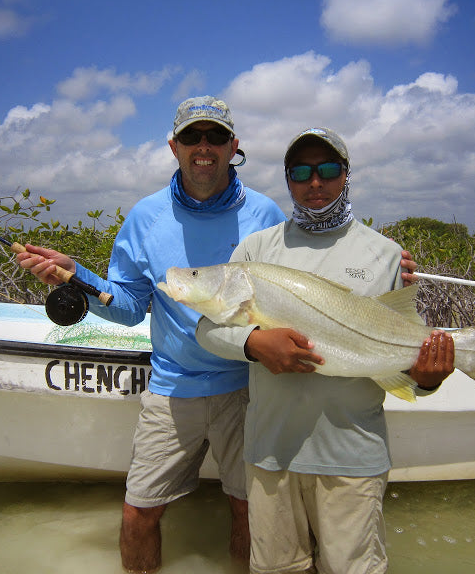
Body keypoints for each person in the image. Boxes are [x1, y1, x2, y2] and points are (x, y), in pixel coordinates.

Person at [15, 96, 289, 573]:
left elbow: (295, 293)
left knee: (250, 511)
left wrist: (386, 269)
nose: (204, 147)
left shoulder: (265, 214)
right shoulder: (145, 217)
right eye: (192, 137)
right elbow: (128, 308)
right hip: (172, 387)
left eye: (216, 137)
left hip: (250, 387)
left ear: (233, 146)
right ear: (174, 146)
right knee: (138, 511)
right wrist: (78, 275)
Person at [195, 127, 455, 574]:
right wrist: (256, 344)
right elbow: (206, 331)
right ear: (288, 179)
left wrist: (428, 379)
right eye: (300, 172)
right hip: (270, 454)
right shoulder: (258, 250)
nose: (315, 182)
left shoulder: (388, 255)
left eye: (328, 170)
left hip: (353, 457)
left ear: (346, 175)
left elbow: (403, 358)